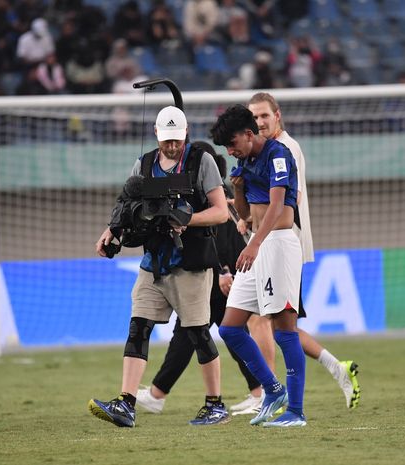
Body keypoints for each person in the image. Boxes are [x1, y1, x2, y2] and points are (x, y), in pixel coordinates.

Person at [88, 106, 229, 427]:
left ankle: (215, 404)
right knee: (138, 327)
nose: (172, 146)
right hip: (153, 262)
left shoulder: (201, 161)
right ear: (156, 134)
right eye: (166, 141)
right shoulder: (145, 163)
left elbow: (221, 212)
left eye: (176, 140)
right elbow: (126, 204)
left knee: (197, 334)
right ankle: (126, 403)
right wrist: (111, 230)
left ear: (186, 133)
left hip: (191, 263)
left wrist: (187, 219)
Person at [231, 92, 361, 415]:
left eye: (264, 116)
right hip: (268, 242)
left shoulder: (286, 148)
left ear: (278, 116)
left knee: (269, 323)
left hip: (284, 243)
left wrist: (256, 229)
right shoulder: (253, 155)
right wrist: (247, 215)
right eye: (255, 117)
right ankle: (333, 369)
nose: (259, 122)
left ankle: (270, 395)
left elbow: (290, 196)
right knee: (273, 323)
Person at [136, 141, 260, 415]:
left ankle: (261, 390)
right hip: (215, 274)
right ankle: (158, 393)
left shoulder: (215, 196)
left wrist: (223, 271)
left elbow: (223, 239)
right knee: (197, 333)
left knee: (216, 333)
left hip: (217, 275)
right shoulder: (212, 193)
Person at [211, 104, 306, 428]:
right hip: (258, 244)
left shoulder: (278, 155)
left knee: (284, 330)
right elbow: (247, 212)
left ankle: (295, 411)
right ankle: (272, 389)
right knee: (230, 328)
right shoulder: (246, 161)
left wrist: (253, 242)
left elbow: (278, 206)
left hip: (277, 244)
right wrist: (237, 188)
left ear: (249, 134)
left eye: (233, 143)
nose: (230, 150)